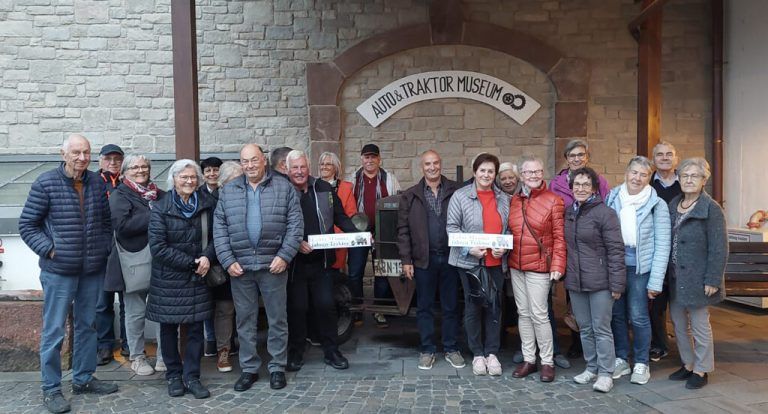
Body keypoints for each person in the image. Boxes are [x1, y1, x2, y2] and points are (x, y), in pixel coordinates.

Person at [19, 134, 118, 414]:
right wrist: (50, 250)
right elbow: (28, 225)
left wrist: (103, 250)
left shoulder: (97, 182)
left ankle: (83, 379)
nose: (82, 158)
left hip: (91, 270)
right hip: (59, 271)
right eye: (76, 152)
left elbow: (106, 222)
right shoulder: (45, 183)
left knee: (89, 326)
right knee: (54, 331)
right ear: (63, 154)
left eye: (86, 152)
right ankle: (51, 389)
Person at [213, 143, 303, 391]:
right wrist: (228, 260)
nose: (250, 165)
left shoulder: (284, 187)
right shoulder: (229, 191)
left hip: (273, 265)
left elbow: (295, 226)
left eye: (254, 160)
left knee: (277, 319)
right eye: (245, 161)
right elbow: (219, 229)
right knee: (245, 321)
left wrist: (284, 256)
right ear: (240, 164)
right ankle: (249, 369)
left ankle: (276, 368)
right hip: (240, 268)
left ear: (263, 160)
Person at [146, 159, 215, 399]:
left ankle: (192, 376)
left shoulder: (208, 204)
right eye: (184, 177)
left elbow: (218, 236)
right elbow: (158, 247)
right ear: (173, 180)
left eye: (193, 177)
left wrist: (207, 256)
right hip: (169, 279)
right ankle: (174, 375)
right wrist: (191, 263)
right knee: (168, 329)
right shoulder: (160, 207)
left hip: (199, 277)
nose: (189, 181)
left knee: (196, 329)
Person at [285, 150, 358, 371]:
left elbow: (340, 216)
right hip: (295, 263)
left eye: (302, 167)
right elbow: (276, 224)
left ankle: (331, 351)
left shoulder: (324, 188)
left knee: (326, 306)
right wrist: (296, 243)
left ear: (309, 168)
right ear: (288, 170)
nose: (299, 172)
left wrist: (358, 234)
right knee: (297, 308)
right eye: (294, 168)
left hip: (323, 263)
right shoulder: (283, 191)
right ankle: (296, 351)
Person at [605, 156, 671, 385]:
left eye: (643, 174)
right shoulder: (612, 197)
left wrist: (656, 281)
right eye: (634, 172)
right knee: (616, 314)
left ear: (649, 177)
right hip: (615, 265)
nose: (637, 178)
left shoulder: (657, 204)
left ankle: (642, 362)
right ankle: (622, 358)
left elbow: (663, 244)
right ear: (626, 172)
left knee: (639, 315)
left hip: (640, 269)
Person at [398, 150, 464, 370]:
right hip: (423, 260)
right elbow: (403, 231)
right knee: (424, 306)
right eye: (428, 164)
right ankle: (427, 349)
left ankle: (451, 347)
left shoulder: (456, 190)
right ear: (422, 167)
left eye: (435, 163)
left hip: (451, 257)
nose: (432, 167)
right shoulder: (411, 195)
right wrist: (406, 260)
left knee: (451, 306)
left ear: (441, 164)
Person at [564, 167, 626, 393]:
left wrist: (617, 284)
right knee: (585, 328)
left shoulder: (604, 213)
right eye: (576, 185)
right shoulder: (569, 212)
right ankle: (591, 367)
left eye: (585, 185)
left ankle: (606, 373)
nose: (580, 188)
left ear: (594, 188)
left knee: (601, 328)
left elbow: (616, 250)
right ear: (571, 188)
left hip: (601, 281)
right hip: (576, 280)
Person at [666, 158, 727, 389]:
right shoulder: (674, 204)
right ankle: (688, 364)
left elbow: (719, 247)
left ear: (704, 180)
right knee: (679, 323)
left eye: (694, 176)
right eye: (684, 175)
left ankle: (702, 370)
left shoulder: (711, 209)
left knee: (700, 325)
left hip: (698, 278)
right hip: (675, 277)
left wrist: (713, 278)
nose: (688, 180)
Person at [446, 153, 509, 376]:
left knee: (494, 306)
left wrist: (504, 246)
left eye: (490, 171)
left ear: (495, 174)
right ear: (475, 172)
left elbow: (508, 228)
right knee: (473, 307)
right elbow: (452, 228)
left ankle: (492, 352)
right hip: (469, 262)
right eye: (482, 170)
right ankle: (477, 354)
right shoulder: (460, 196)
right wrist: (468, 248)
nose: (486, 174)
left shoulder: (503, 198)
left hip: (495, 261)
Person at [549, 139, 610, 363]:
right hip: (567, 244)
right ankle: (577, 342)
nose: (576, 158)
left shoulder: (598, 181)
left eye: (580, 154)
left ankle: (597, 351)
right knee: (572, 296)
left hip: (591, 244)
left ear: (587, 157)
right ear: (566, 158)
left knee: (593, 298)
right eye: (572, 155)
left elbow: (605, 207)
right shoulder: (556, 183)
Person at [508, 155, 566, 383]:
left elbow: (559, 237)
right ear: (521, 175)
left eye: (537, 172)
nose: (533, 176)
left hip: (540, 267)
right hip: (516, 265)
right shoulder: (515, 201)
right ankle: (529, 359)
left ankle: (548, 362)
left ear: (542, 173)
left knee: (539, 315)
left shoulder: (554, 200)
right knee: (523, 313)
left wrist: (558, 264)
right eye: (529, 172)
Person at [110, 154, 165, 376]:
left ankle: (164, 355)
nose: (141, 170)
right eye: (135, 167)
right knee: (135, 312)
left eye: (144, 166)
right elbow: (122, 226)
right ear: (124, 172)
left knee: (163, 311)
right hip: (133, 261)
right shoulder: (119, 194)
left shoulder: (159, 194)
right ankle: (137, 356)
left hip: (161, 259)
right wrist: (153, 214)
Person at [348, 143, 401, 327]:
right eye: (366, 157)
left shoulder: (390, 179)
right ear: (361, 159)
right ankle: (357, 310)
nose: (369, 160)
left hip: (383, 233)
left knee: (383, 271)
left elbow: (398, 205)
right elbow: (348, 208)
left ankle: (380, 310)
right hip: (358, 232)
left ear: (379, 159)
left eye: (373, 157)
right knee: (355, 272)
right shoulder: (353, 180)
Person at [95, 143, 129, 365]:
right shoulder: (92, 182)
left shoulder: (130, 182)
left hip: (126, 249)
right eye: (109, 158)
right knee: (102, 301)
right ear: (100, 160)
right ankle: (104, 345)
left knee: (129, 300)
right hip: (101, 249)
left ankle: (129, 343)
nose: (113, 163)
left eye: (117, 159)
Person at [649, 141, 682, 362]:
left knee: (681, 304)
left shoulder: (686, 183)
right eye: (659, 154)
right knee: (656, 304)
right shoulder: (648, 185)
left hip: (681, 252)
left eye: (669, 154)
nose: (664, 158)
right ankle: (659, 344)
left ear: (676, 158)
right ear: (654, 160)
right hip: (656, 251)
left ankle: (685, 349)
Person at [211, 160, 243, 373]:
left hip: (246, 262)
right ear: (224, 183)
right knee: (225, 308)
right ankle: (223, 349)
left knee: (245, 309)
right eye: (235, 181)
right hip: (223, 263)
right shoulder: (213, 201)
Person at [199, 156, 223, 358]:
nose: (212, 174)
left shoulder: (227, 192)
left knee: (224, 302)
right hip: (205, 252)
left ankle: (226, 342)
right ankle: (211, 340)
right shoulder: (198, 194)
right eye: (208, 171)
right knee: (206, 300)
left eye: (216, 170)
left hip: (223, 251)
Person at [317, 151, 357, 272]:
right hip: (318, 240)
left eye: (328, 164)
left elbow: (350, 214)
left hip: (339, 239)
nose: (324, 167)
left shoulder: (346, 187)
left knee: (335, 275)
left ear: (335, 167)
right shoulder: (313, 186)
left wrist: (337, 236)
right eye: (322, 164)